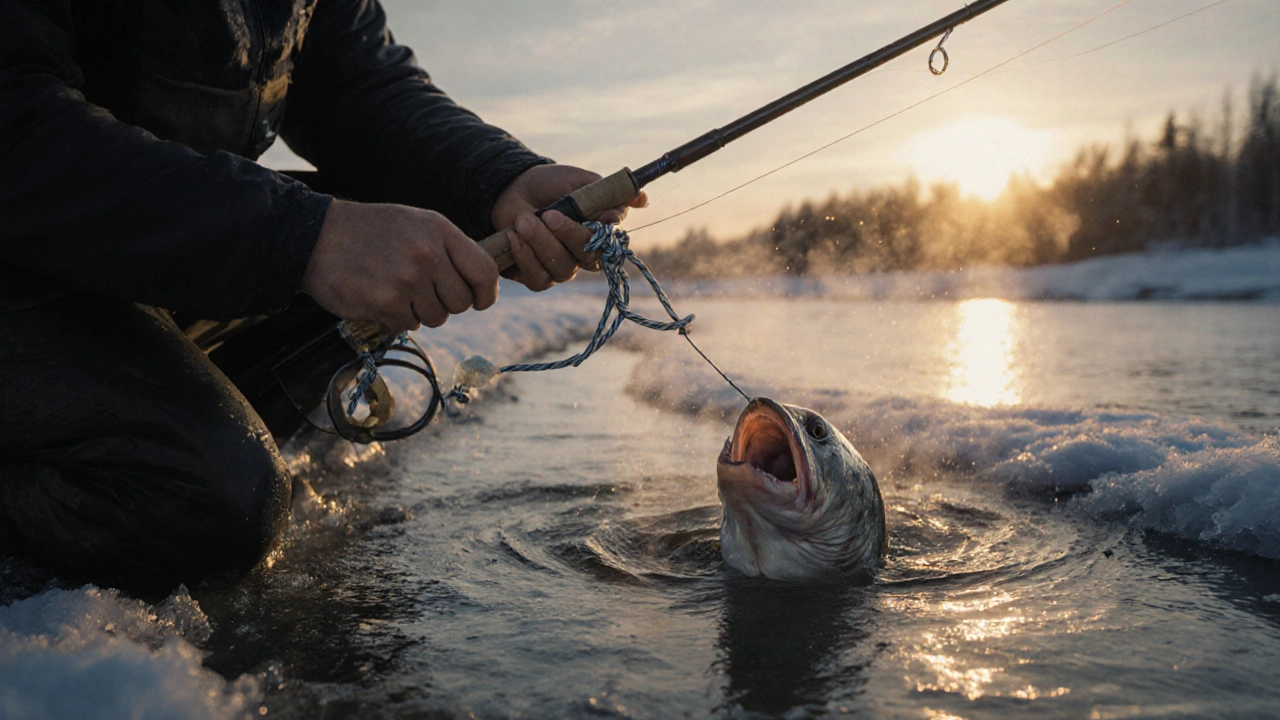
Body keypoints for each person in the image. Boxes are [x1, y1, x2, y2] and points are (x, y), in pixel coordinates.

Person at [0, 0, 643, 591]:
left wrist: (497, 179)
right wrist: (307, 238)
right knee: (212, 498)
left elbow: (360, 87)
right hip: (28, 255)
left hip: (134, 262)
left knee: (406, 246)